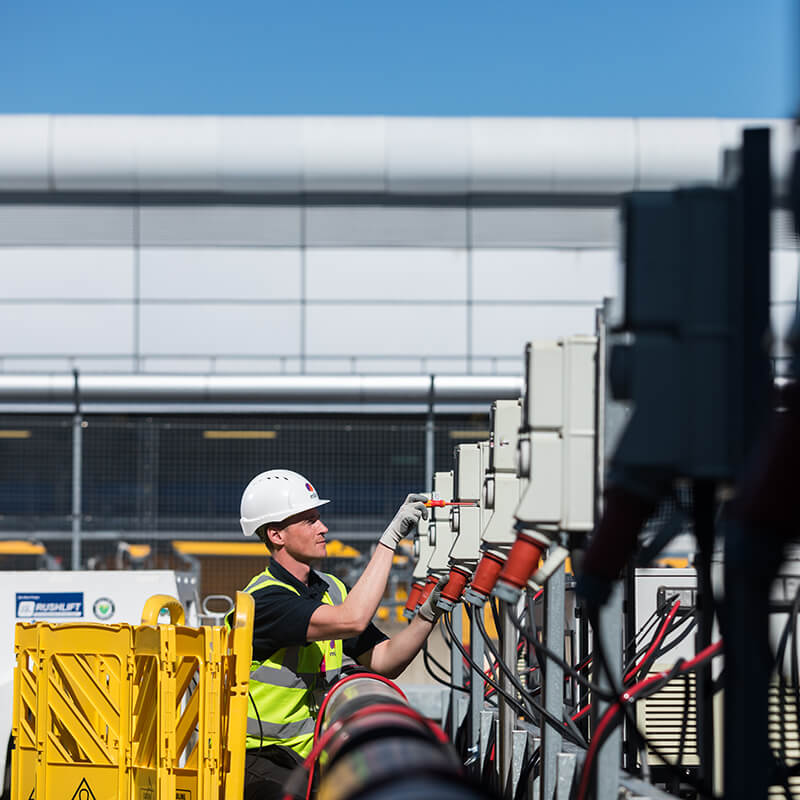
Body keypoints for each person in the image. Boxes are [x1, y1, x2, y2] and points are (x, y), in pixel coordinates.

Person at [234, 469, 445, 800]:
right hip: (259, 760)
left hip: (310, 756)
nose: (324, 529)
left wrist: (429, 614)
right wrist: (390, 541)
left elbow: (383, 660)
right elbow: (354, 619)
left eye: (319, 518)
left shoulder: (330, 589)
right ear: (276, 535)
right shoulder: (264, 600)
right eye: (309, 521)